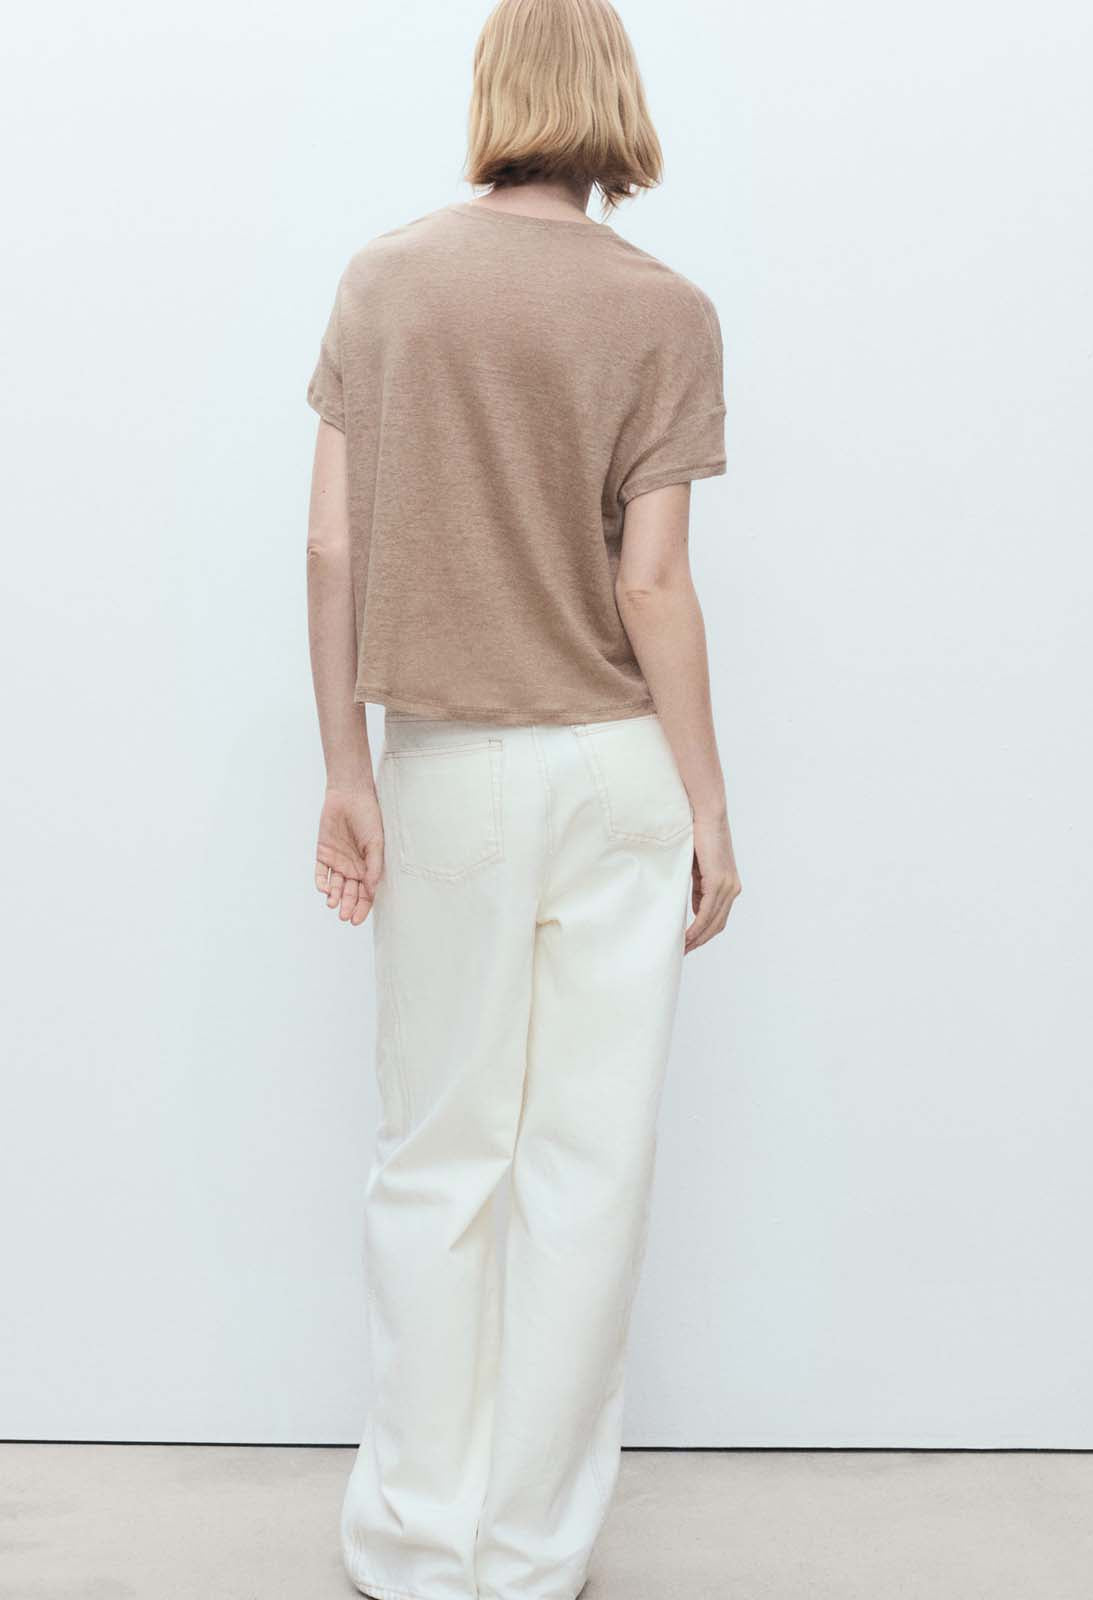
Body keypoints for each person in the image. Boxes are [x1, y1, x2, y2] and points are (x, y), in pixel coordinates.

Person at [305, 1, 740, 1595]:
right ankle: (533, 1554)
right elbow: (655, 583)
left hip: (447, 766)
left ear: (494, 90)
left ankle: (417, 1545)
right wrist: (707, 805)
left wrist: (346, 769)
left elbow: (332, 544)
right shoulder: (667, 311)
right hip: (613, 770)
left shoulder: (386, 283)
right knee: (586, 1170)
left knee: (437, 1159)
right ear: (616, 99)